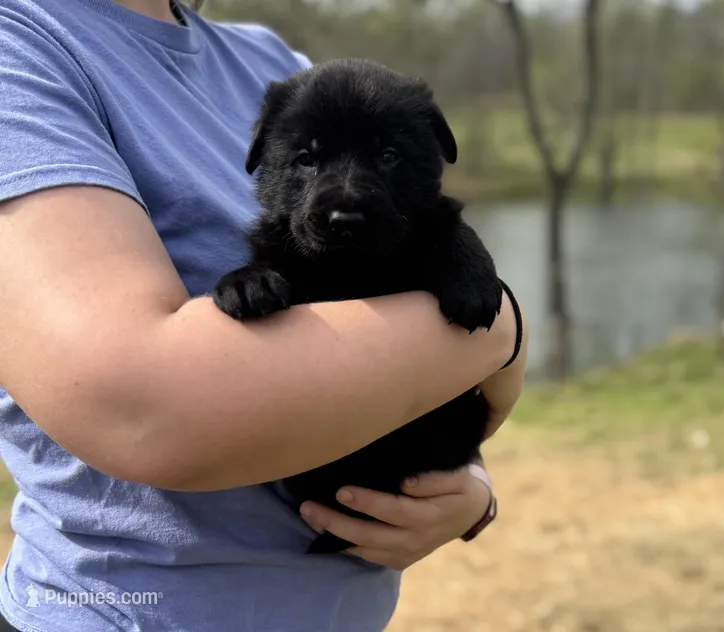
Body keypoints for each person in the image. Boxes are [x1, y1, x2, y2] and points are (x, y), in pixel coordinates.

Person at [0, 0, 528, 630]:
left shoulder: (273, 64)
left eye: (385, 160)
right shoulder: (25, 47)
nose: (345, 196)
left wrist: (466, 487)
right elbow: (140, 410)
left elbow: (414, 368)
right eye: (306, 161)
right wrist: (503, 330)